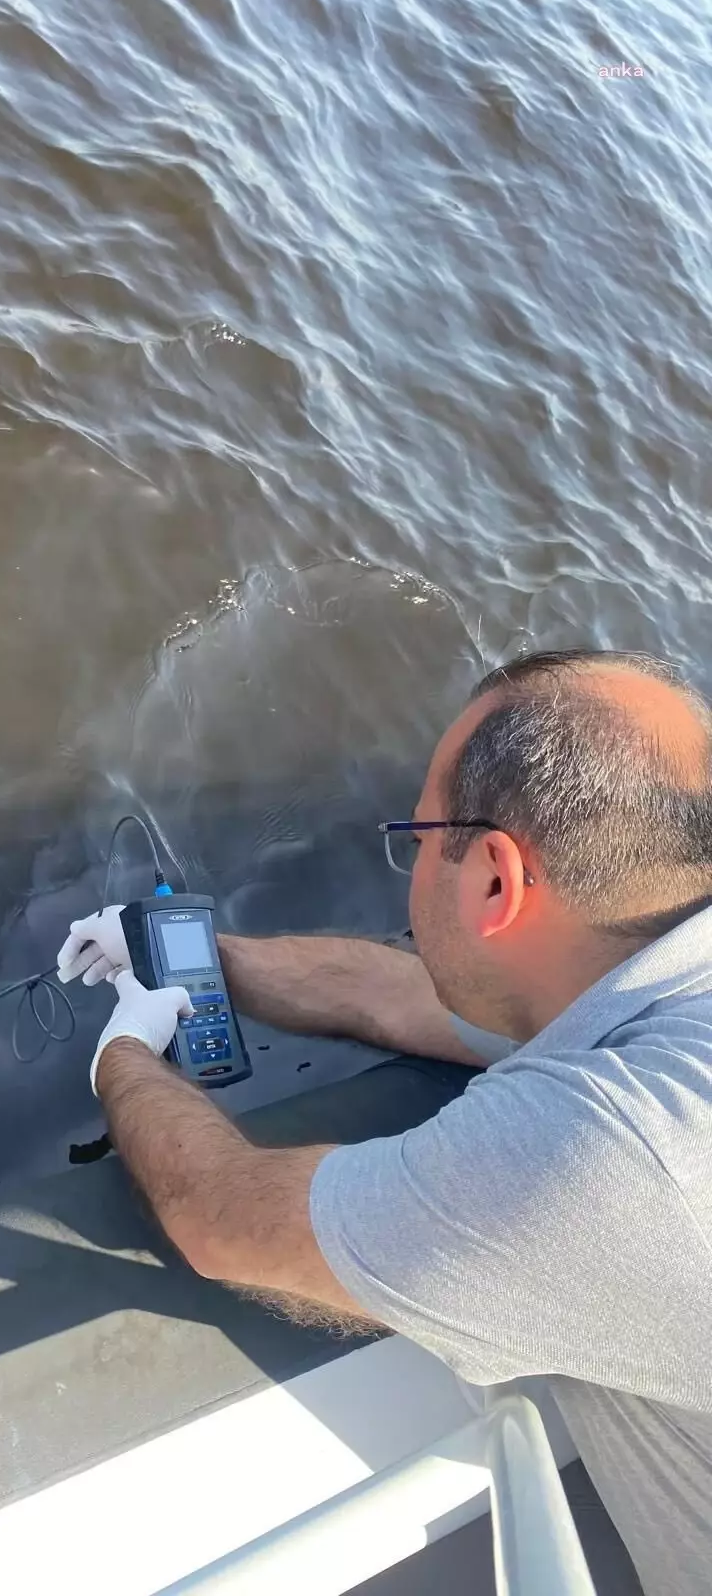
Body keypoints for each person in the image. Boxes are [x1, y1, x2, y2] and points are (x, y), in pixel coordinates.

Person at [56, 648, 712, 1596]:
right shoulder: (661, 964)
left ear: (494, 880)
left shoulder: (615, 1154)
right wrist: (195, 960)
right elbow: (404, 999)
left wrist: (123, 1050)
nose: (410, 861)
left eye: (418, 836)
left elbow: (223, 1215)